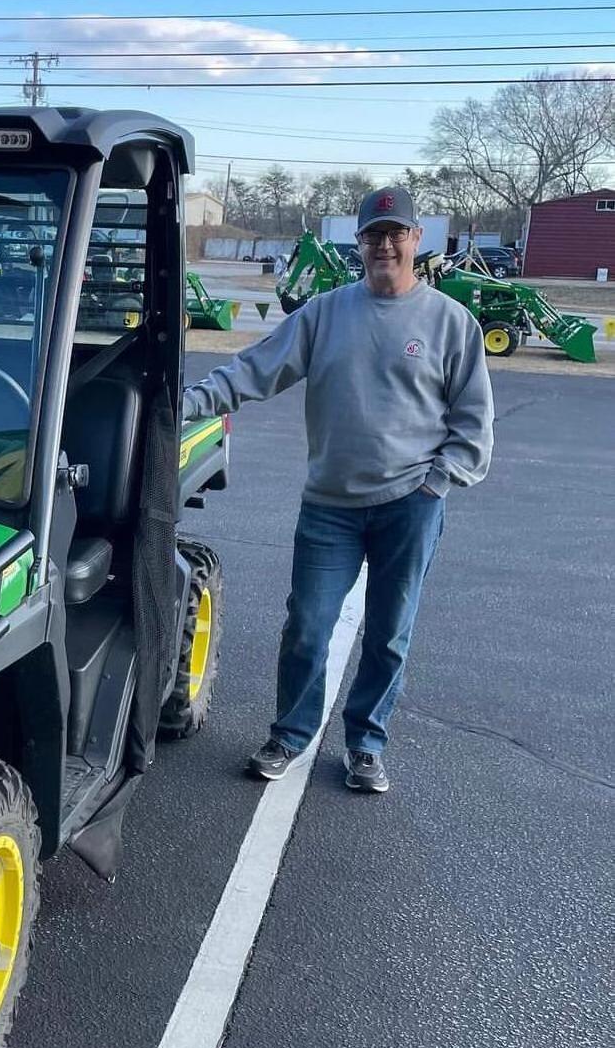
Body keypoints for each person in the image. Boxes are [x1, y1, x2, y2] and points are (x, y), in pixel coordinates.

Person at [183, 187, 494, 793]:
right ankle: (291, 735)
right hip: (330, 506)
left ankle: (366, 743)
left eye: (395, 233)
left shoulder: (452, 323)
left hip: (411, 505)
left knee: (389, 632)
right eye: (373, 235)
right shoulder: (325, 314)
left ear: (416, 240)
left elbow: (473, 423)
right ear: (359, 244)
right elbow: (252, 370)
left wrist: (437, 483)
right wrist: (186, 404)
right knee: (308, 624)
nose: (385, 245)